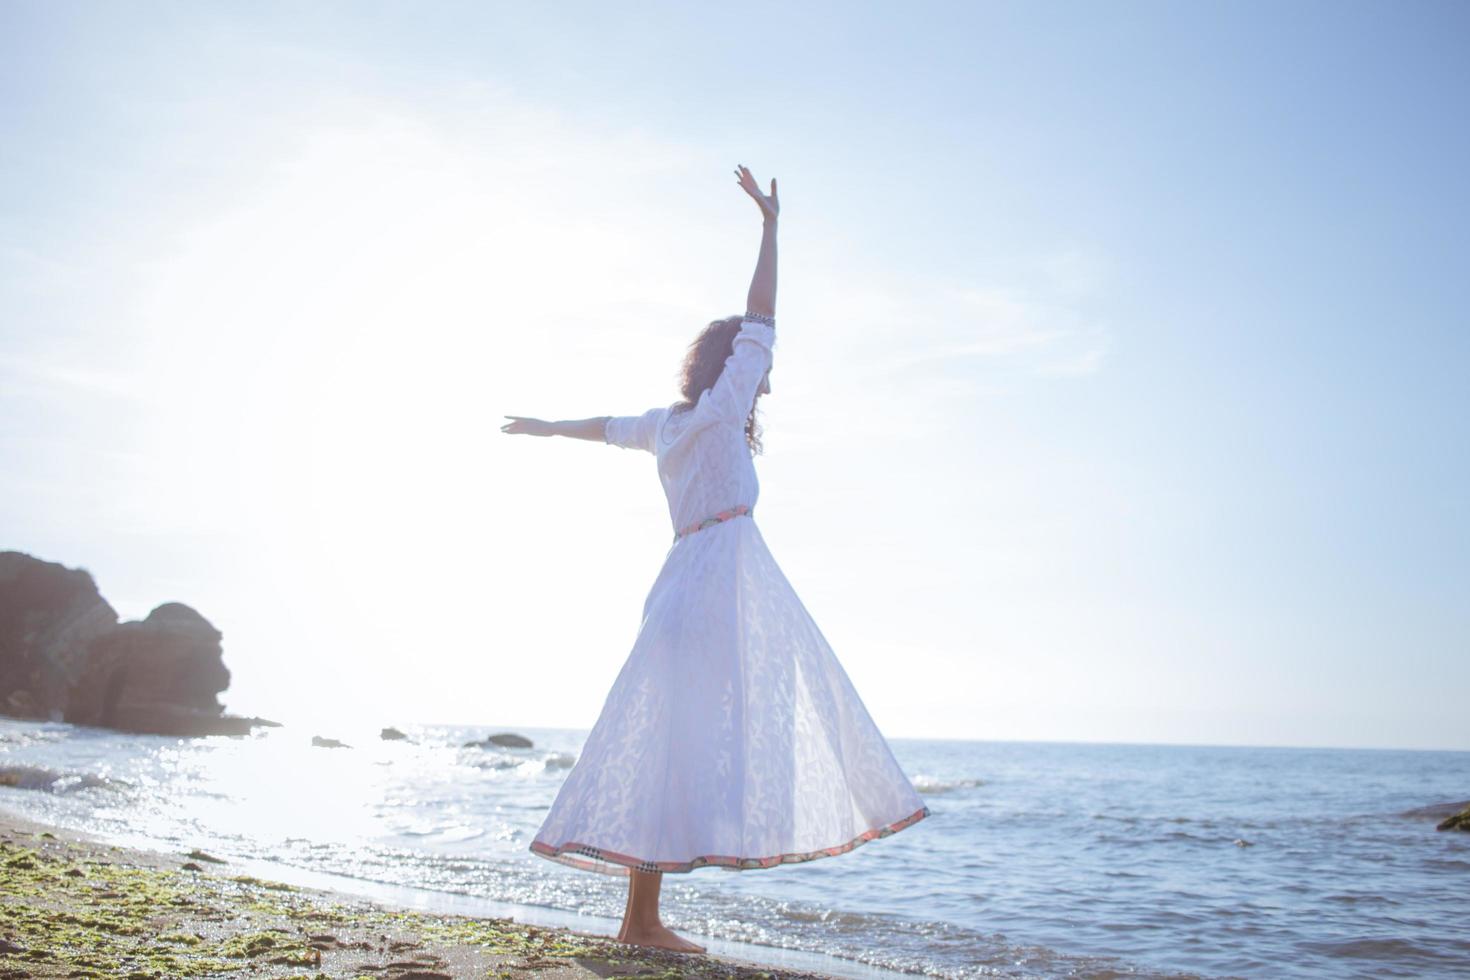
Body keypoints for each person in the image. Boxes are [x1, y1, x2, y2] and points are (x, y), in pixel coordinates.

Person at [501, 166, 929, 954]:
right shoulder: (729, 407)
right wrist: (770, 226)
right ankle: (643, 922)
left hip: (678, 589)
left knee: (667, 749)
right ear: (737, 367)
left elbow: (606, 425)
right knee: (710, 736)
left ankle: (638, 921)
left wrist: (543, 427)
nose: (763, 376)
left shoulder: (670, 424)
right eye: (755, 365)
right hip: (712, 594)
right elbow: (761, 316)